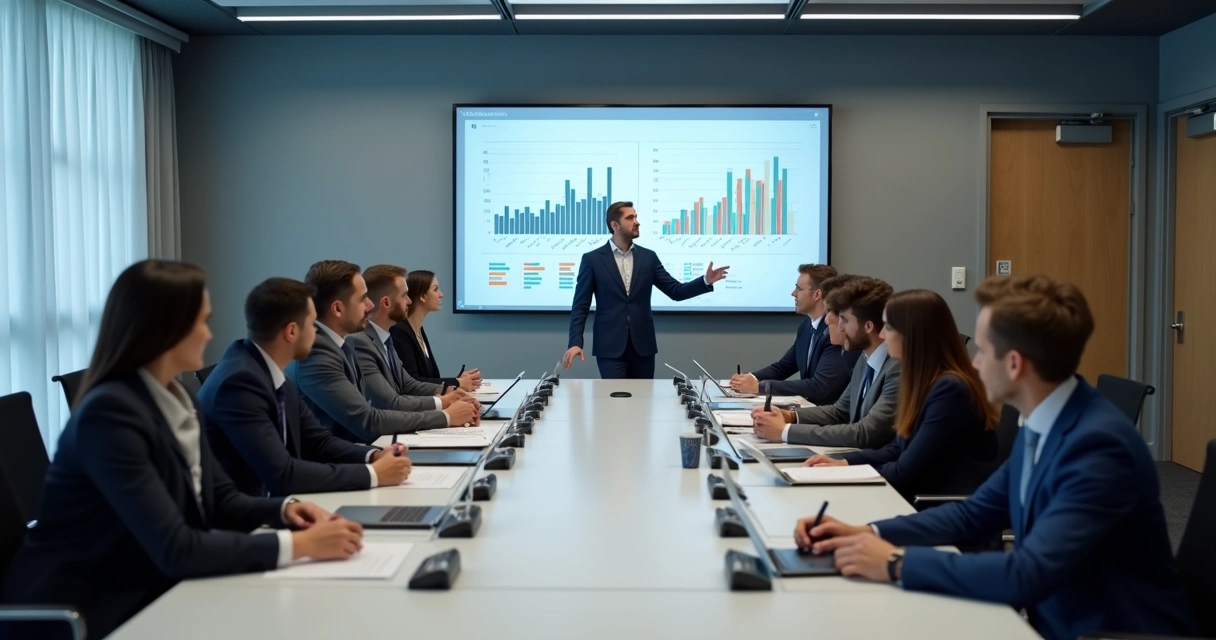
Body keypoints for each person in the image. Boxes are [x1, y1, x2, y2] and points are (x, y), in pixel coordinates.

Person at [795, 275, 1196, 640]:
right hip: (1055, 619)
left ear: (1015, 364)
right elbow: (975, 513)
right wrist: (867, 533)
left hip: (1101, 631)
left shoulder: (1097, 446)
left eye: (984, 351)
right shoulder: (1046, 420)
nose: (974, 362)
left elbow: (1027, 574)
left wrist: (895, 563)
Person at [0, 260, 362, 639]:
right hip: (93, 606)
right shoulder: (109, 415)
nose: (209, 335)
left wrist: (286, 510)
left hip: (150, 585)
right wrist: (298, 545)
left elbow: (220, 499)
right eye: (201, 321)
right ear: (164, 328)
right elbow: (176, 547)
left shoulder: (174, 399)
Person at [198, 277, 413, 497]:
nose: (317, 333)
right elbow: (283, 475)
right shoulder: (239, 384)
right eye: (312, 325)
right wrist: (373, 474)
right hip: (248, 519)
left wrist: (374, 456)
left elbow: (319, 441)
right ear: (291, 332)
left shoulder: (265, 369)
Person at [802, 289, 999, 501]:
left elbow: (904, 471)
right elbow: (897, 448)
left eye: (888, 327)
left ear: (912, 333)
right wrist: (844, 462)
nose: (882, 335)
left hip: (936, 508)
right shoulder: (924, 380)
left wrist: (844, 471)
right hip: (915, 496)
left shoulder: (949, 389)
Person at [287, 260, 476, 444]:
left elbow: (403, 388)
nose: (370, 306)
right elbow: (368, 420)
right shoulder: (318, 353)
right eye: (362, 299)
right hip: (332, 463)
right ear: (337, 308)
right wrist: (445, 416)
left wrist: (447, 401)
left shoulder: (342, 344)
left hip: (352, 452)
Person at [563, 201, 729, 379]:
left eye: (636, 217)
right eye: (630, 218)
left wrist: (705, 281)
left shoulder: (648, 257)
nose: (636, 222)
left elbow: (675, 291)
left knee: (643, 401)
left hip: (643, 347)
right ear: (614, 225)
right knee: (613, 403)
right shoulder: (593, 260)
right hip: (609, 347)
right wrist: (575, 342)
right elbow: (580, 306)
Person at [752, 276, 899, 449]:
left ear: (868, 327)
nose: (836, 324)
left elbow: (865, 433)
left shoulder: (897, 369)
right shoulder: (865, 358)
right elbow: (839, 412)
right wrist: (788, 416)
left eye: (843, 319)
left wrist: (784, 431)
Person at [349, 264, 479, 425]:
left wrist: (451, 392)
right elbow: (390, 403)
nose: (410, 301)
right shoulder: (361, 342)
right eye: (404, 296)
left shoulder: (385, 338)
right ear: (386, 303)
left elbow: (408, 384)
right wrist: (445, 409)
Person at [730, 264, 855, 405]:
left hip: (827, 415)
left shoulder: (835, 331)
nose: (793, 293)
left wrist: (760, 386)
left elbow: (820, 386)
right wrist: (749, 378)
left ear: (817, 294)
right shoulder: (807, 326)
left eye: (798, 288)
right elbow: (784, 366)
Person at [391, 269, 482, 391]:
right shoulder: (399, 332)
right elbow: (412, 381)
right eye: (435, 289)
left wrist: (458, 380)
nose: (441, 294)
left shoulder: (418, 330)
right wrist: (457, 382)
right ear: (422, 296)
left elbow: (431, 377)